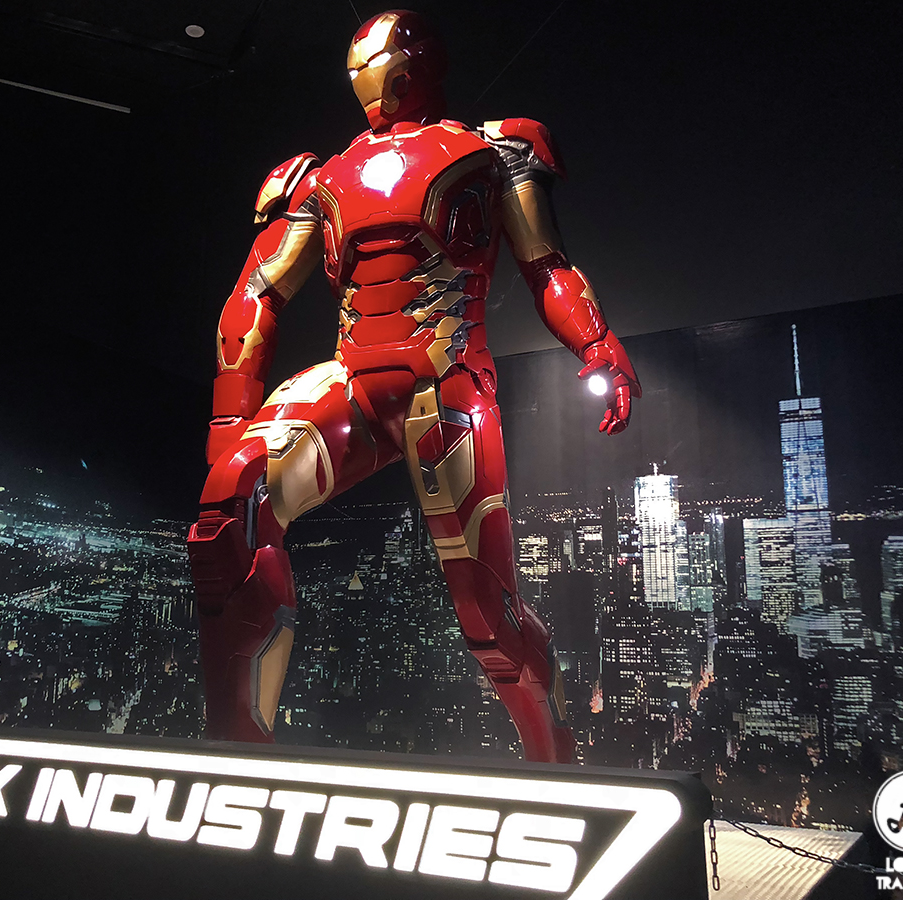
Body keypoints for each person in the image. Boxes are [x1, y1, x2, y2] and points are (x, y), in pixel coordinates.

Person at [186, 9, 640, 763]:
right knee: (231, 503)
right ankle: (236, 752)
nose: (374, 85)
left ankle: (554, 757)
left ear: (419, 65)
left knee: (486, 612)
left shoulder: (492, 151)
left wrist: (596, 342)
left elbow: (546, 265)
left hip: (446, 381)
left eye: (387, 69)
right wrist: (229, 427)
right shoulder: (322, 178)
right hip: (354, 384)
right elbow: (255, 296)